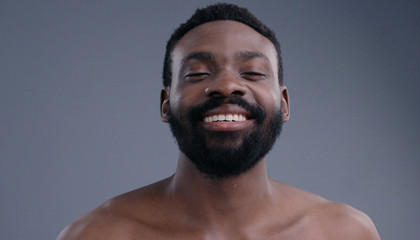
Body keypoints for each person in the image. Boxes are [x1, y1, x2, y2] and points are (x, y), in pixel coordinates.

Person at [57, 3, 381, 239]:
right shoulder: (98, 235)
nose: (227, 86)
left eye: (252, 72)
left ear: (283, 103)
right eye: (197, 74)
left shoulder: (343, 233)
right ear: (165, 103)